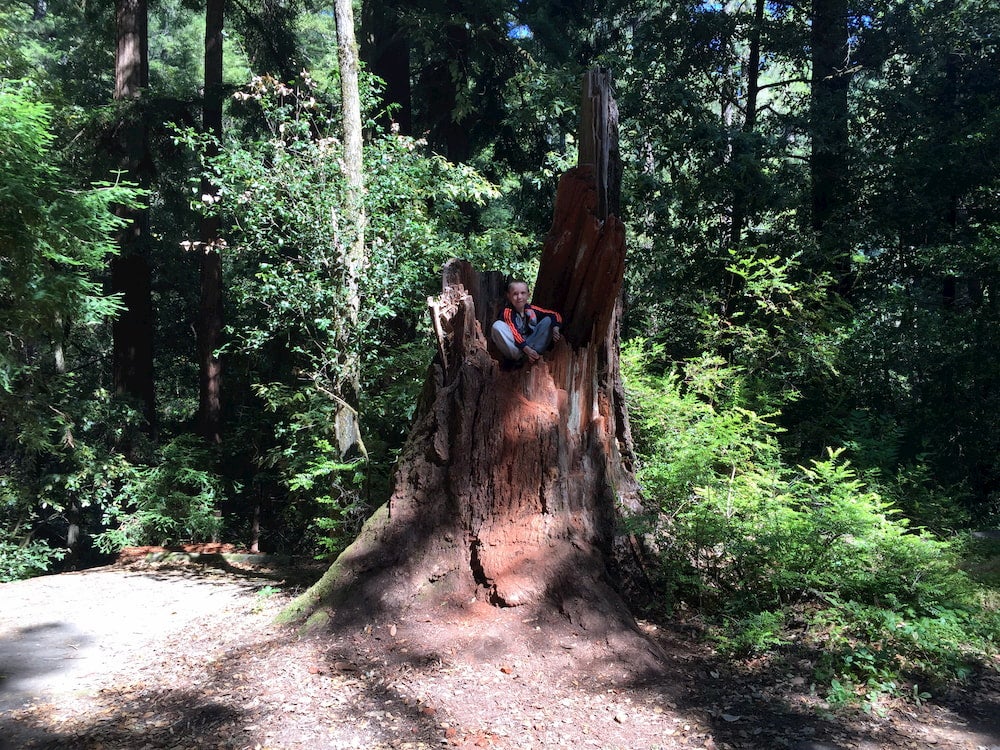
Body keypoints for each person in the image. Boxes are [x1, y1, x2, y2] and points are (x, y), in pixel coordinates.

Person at [490, 279, 563, 365]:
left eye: (523, 293)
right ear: (509, 296)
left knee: (548, 320)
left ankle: (535, 354)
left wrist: (556, 328)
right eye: (515, 294)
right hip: (517, 349)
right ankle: (521, 358)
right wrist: (526, 350)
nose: (519, 297)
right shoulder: (507, 312)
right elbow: (515, 333)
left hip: (532, 345)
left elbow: (554, 314)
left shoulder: (531, 309)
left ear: (528, 295)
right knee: (497, 326)